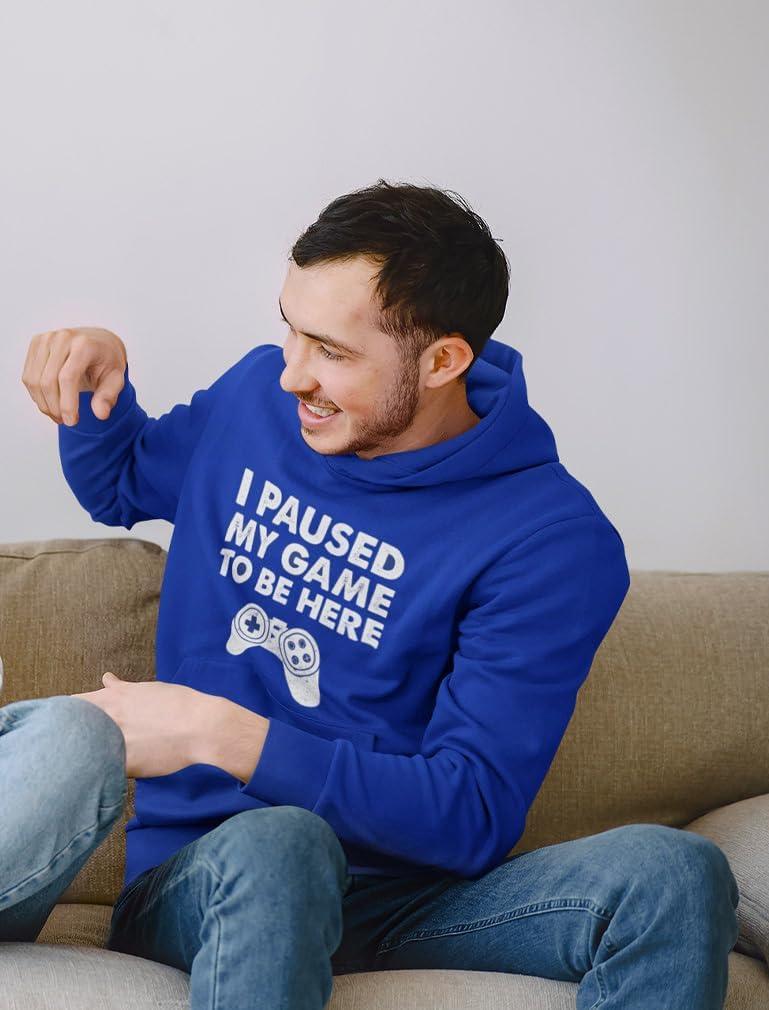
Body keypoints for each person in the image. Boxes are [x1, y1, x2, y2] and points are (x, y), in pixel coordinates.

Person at [10, 179, 738, 1008]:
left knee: (672, 873)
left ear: (443, 361)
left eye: (331, 350)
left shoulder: (549, 538)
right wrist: (93, 386)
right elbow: (123, 481)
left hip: (408, 904)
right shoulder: (258, 401)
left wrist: (222, 733)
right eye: (289, 329)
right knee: (283, 844)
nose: (292, 374)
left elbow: (469, 813)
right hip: (214, 879)